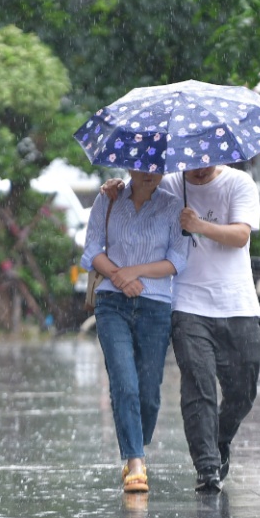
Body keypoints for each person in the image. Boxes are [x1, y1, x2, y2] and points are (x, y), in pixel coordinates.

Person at [104, 165, 260, 493]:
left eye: (207, 163)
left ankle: (220, 438)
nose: (200, 170)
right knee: (199, 385)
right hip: (186, 301)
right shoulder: (168, 185)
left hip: (238, 302)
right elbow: (137, 197)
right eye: (193, 164)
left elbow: (240, 236)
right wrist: (117, 188)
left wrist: (199, 225)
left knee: (243, 390)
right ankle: (207, 466)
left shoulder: (239, 183)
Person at [81, 169, 190, 494]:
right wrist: (118, 277)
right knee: (124, 383)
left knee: (149, 394)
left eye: (157, 168)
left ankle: (134, 445)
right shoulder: (108, 198)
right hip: (112, 304)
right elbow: (91, 250)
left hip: (155, 307)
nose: (150, 175)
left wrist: (134, 272)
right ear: (129, 167)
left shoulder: (172, 206)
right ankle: (135, 462)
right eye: (143, 168)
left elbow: (176, 260)